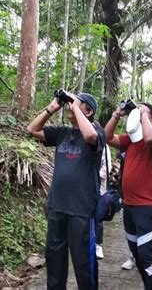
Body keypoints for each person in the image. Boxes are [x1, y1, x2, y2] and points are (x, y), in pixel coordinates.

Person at [27, 91, 105, 290]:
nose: (72, 106)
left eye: (80, 104)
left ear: (89, 112)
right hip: (57, 206)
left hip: (82, 209)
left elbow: (89, 135)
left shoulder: (97, 133)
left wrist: (75, 106)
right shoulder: (63, 133)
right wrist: (51, 109)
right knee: (54, 259)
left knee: (83, 262)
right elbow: (32, 129)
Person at [105, 102, 152, 290]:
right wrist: (118, 114)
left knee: (146, 254)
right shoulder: (130, 140)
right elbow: (107, 137)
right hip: (129, 205)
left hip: (147, 206)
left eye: (143, 111)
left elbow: (151, 140)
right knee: (136, 251)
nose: (137, 112)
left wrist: (141, 114)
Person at [96, 144, 112, 259]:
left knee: (98, 217)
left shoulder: (104, 147)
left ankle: (98, 245)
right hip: (81, 189)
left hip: (98, 188)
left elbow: (107, 169)